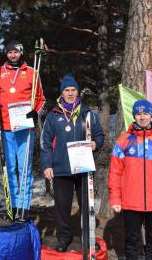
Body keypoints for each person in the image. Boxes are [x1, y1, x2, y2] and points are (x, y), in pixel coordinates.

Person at [41, 74, 104, 252]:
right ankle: (63, 237)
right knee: (62, 206)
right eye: (67, 90)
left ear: (78, 92)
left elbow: (99, 135)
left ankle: (88, 237)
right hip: (61, 168)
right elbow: (45, 142)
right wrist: (47, 165)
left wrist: (95, 143)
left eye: (73, 90)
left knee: (86, 205)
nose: (70, 93)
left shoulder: (87, 113)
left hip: (83, 167)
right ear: (62, 93)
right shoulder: (54, 115)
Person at [109, 99, 152, 259]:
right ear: (134, 116)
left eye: (145, 113)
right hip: (131, 201)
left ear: (151, 115)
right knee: (132, 240)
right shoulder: (123, 141)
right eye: (139, 114)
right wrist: (115, 199)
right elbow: (114, 172)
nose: (142, 117)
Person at [0, 40, 46, 219]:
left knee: (25, 169)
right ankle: (13, 205)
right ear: (6, 54)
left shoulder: (32, 72)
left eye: (16, 52)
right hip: (6, 128)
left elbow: (41, 100)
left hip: (25, 128)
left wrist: (35, 112)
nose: (13, 55)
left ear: (21, 53)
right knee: (9, 169)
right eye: (10, 52)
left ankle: (24, 206)